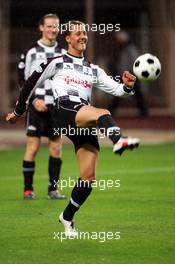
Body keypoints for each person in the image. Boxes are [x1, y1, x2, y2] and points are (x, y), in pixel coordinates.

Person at [7, 20, 138, 237]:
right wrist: (19, 111)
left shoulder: (92, 68)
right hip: (65, 110)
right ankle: (119, 141)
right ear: (67, 38)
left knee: (88, 179)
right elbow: (31, 83)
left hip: (83, 119)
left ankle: (67, 217)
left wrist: (127, 86)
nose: (83, 36)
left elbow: (117, 90)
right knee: (103, 113)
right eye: (78, 33)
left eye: (84, 33)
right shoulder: (56, 62)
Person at [17, 13, 66, 199]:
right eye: (49, 26)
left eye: (56, 26)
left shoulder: (63, 53)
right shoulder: (31, 52)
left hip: (56, 107)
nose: (53, 29)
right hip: (35, 105)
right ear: (41, 27)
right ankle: (28, 189)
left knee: (56, 148)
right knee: (33, 146)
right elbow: (22, 81)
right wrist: (32, 101)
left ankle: (53, 190)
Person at [108, 31, 149, 117]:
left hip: (130, 75)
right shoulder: (120, 51)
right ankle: (144, 112)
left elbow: (136, 62)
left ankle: (144, 112)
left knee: (134, 94)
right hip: (125, 75)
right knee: (122, 94)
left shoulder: (130, 49)